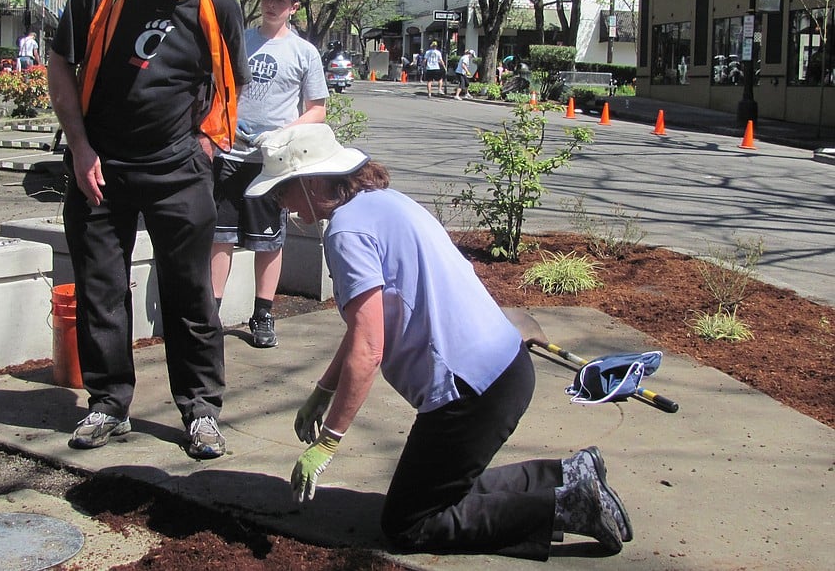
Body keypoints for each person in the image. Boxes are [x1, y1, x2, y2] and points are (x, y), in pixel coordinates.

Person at [244, 124, 632, 560]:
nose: (278, 202)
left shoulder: (346, 234)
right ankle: (567, 475)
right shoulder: (381, 203)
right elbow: (367, 330)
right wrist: (323, 390)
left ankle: (568, 506)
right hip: (504, 369)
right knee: (441, 486)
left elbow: (369, 349)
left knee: (410, 523)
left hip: (470, 392)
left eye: (281, 189)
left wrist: (330, 439)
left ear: (312, 182)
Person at [47, 0, 250, 459]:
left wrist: (211, 142)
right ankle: (108, 404)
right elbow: (60, 63)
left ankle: (202, 410)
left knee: (191, 293)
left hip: (180, 167)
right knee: (101, 291)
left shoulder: (218, 2)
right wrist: (81, 147)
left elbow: (231, 80)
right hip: (100, 165)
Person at [211, 0, 328, 348]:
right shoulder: (240, 40)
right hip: (230, 153)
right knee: (220, 238)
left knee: (268, 242)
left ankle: (262, 314)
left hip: (272, 162)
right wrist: (225, 122)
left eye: (280, 0)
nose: (271, 4)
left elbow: (317, 110)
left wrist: (280, 135)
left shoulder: (304, 53)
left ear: (293, 8)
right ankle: (210, 314)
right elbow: (218, 88)